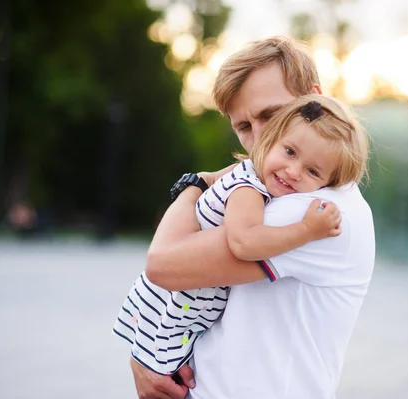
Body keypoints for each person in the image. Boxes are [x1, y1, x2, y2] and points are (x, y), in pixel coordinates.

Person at [128, 36, 375, 399]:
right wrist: (151, 353)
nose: (260, 140)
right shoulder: (287, 188)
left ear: (315, 100)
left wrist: (193, 185)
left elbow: (163, 265)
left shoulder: (311, 212)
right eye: (244, 127)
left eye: (270, 115)